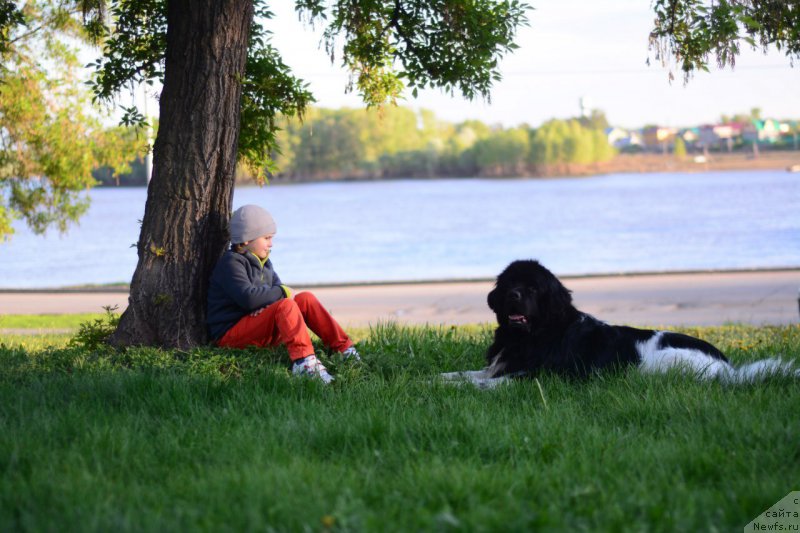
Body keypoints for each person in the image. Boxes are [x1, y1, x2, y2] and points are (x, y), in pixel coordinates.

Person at [207, 205, 360, 383]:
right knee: (286, 304)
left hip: (257, 325)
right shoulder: (231, 263)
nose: (271, 244)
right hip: (231, 334)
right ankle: (304, 363)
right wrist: (276, 295)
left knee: (305, 299)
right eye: (267, 238)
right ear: (247, 239)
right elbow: (249, 298)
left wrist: (270, 300)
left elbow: (278, 294)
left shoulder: (265, 263)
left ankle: (344, 348)